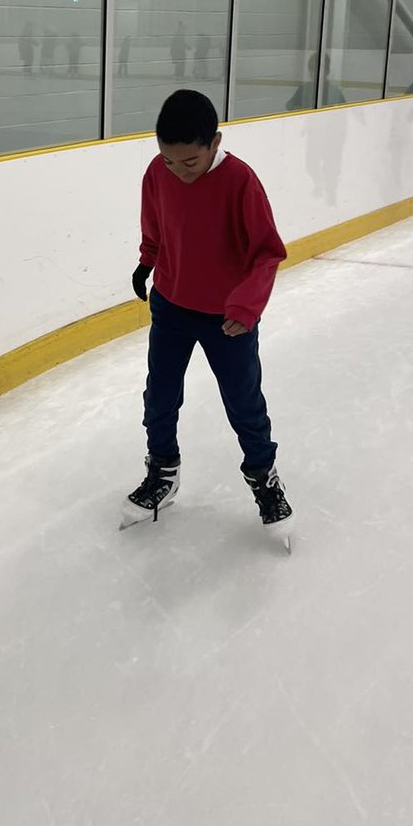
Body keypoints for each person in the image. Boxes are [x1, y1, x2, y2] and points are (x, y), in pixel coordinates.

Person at [122, 89, 293, 543]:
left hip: (227, 320)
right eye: (169, 160)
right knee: (159, 396)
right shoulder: (157, 171)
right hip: (171, 305)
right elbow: (155, 224)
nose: (178, 171)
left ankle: (264, 478)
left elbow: (267, 252)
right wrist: (146, 261)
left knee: (244, 403)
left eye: (189, 162)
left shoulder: (240, 181)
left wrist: (246, 306)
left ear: (215, 142)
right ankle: (163, 471)